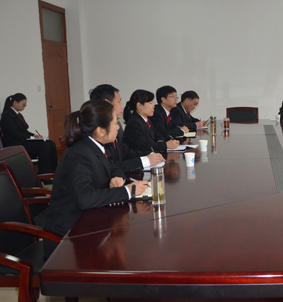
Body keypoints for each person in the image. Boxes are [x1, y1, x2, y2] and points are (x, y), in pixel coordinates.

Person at [43, 100, 149, 258]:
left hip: (90, 222)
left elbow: (113, 167)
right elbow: (84, 198)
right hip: (68, 239)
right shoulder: (78, 154)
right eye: (115, 123)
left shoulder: (96, 146)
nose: (118, 127)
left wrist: (117, 177)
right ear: (100, 131)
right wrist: (127, 191)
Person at [89, 84, 164, 172]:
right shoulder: (98, 134)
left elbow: (126, 153)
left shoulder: (116, 128)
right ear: (107, 103)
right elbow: (110, 166)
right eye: (119, 102)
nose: (122, 106)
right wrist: (145, 161)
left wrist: (150, 154)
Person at [1, 93, 58, 174]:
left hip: (22, 140)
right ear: (15, 103)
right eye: (23, 105)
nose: (24, 107)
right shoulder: (7, 115)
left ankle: (54, 170)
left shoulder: (17, 114)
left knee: (51, 143)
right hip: (15, 143)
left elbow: (24, 130)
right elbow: (15, 133)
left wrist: (35, 135)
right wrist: (32, 138)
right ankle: (44, 173)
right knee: (44, 146)